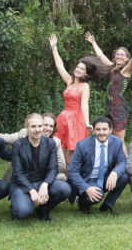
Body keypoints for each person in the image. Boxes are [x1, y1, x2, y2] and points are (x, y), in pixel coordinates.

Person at [50, 34, 110, 166]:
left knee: (71, 155)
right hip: (63, 119)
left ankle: (76, 180)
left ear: (86, 74)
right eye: (77, 67)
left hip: (75, 120)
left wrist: (87, 122)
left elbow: (84, 105)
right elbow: (60, 66)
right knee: (61, 151)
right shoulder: (69, 82)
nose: (78, 69)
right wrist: (54, 48)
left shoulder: (85, 86)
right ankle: (66, 179)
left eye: (82, 69)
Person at [85, 29, 132, 148]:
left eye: (122, 54)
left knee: (119, 140)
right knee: (109, 139)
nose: (119, 56)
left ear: (126, 58)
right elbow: (101, 55)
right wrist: (93, 42)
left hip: (119, 109)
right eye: (117, 54)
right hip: (109, 108)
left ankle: (127, 166)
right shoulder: (111, 68)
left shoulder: (125, 71)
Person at [0, 112, 68, 183]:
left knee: (62, 178)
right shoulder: (24, 133)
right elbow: (6, 137)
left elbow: (62, 166)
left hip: (44, 174)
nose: (47, 129)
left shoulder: (55, 142)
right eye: (45, 125)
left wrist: (44, 167)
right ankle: (11, 188)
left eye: (51, 126)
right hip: (24, 173)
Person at [10, 113, 71, 221]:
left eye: (40, 126)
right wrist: (31, 190)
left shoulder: (50, 143)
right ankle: (19, 204)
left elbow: (53, 168)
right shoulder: (18, 145)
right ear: (27, 128)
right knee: (22, 212)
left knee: (65, 189)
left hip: (41, 181)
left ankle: (44, 208)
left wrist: (45, 184)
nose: (37, 129)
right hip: (23, 184)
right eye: (33, 126)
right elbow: (18, 173)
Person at [68, 117, 128, 215]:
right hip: (88, 179)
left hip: (104, 177)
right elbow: (72, 171)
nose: (101, 132)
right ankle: (83, 203)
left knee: (124, 176)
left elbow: (122, 161)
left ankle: (107, 206)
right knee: (96, 196)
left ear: (110, 130)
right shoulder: (82, 145)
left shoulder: (117, 142)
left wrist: (115, 172)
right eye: (98, 129)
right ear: (93, 131)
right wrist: (86, 188)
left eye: (104, 129)